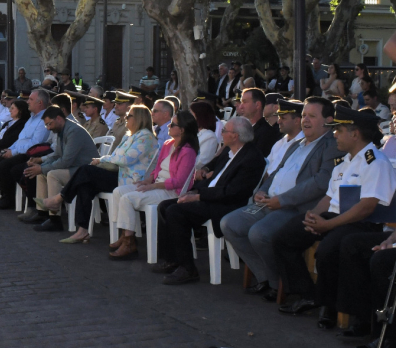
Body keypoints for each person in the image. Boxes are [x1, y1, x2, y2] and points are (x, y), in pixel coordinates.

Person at [272, 106, 396, 325]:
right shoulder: (343, 162)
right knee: (284, 237)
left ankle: (330, 306)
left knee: (329, 250)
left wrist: (327, 226)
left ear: (355, 134)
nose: (335, 134)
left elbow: (366, 208)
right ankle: (309, 294)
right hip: (334, 218)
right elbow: (329, 197)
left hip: (361, 223)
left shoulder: (375, 162)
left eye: (338, 130)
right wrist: (313, 217)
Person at [220, 98, 341, 300]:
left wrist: (282, 200)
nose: (306, 120)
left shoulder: (330, 146)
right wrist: (262, 190)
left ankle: (278, 284)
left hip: (295, 208)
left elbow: (321, 182)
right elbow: (276, 172)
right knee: (229, 224)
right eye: (304, 116)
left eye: (312, 116)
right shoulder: (296, 145)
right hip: (270, 202)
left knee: (259, 233)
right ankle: (265, 277)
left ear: (328, 120)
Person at [154, 117, 266, 284]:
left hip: (226, 205)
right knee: (165, 206)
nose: (221, 133)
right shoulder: (230, 151)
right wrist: (195, 191)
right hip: (212, 197)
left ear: (235, 136)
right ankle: (173, 259)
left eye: (225, 130)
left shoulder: (251, 158)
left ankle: (188, 269)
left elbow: (232, 192)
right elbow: (214, 180)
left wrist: (199, 196)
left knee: (175, 211)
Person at [39, 105, 157, 244]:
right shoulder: (130, 136)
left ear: (139, 119)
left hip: (128, 180)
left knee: (85, 171)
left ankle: (59, 198)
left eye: (129, 116)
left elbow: (124, 159)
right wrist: (106, 160)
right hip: (118, 174)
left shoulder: (145, 137)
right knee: (85, 184)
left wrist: (102, 160)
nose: (125, 118)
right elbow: (115, 155)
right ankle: (82, 231)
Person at [110, 111, 199, 251]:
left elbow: (179, 182)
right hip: (158, 185)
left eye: (173, 124)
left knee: (128, 199)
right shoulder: (168, 144)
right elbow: (157, 168)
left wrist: (153, 186)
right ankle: (124, 234)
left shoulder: (187, 151)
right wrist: (149, 180)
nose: (169, 125)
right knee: (118, 191)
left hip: (171, 192)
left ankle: (129, 242)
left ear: (182, 130)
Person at [23, 106, 99, 232]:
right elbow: (57, 154)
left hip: (85, 171)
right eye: (46, 125)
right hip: (75, 167)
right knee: (42, 174)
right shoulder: (61, 130)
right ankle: (42, 213)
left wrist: (42, 168)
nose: (48, 128)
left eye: (49, 124)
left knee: (52, 174)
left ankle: (55, 220)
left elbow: (65, 161)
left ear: (58, 118)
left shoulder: (73, 131)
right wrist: (41, 163)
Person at [0, 89, 52, 209]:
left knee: (6, 165)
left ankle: (10, 198)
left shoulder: (44, 120)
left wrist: (13, 152)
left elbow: (35, 144)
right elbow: (20, 139)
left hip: (31, 154)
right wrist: (8, 149)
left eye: (31, 99)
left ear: (40, 103)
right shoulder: (31, 118)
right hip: (19, 150)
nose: (27, 101)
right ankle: (6, 194)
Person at [235, 88, 282, 157]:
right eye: (241, 102)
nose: (241, 106)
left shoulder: (267, 133)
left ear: (257, 105)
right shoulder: (244, 129)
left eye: (244, 102)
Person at [189, 101, 220, 167]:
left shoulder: (209, 136)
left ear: (200, 116)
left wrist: (182, 163)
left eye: (191, 115)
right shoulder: (193, 133)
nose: (188, 118)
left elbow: (202, 161)